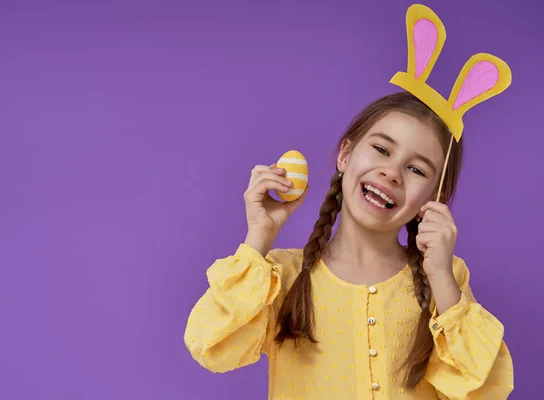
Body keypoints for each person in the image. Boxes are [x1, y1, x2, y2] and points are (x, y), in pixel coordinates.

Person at [183, 92, 513, 399]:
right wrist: (258, 237)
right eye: (382, 150)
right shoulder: (281, 276)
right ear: (345, 155)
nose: (392, 172)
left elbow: (484, 391)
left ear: (434, 198)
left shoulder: (445, 280)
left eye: (416, 169)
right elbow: (210, 344)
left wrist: (441, 276)